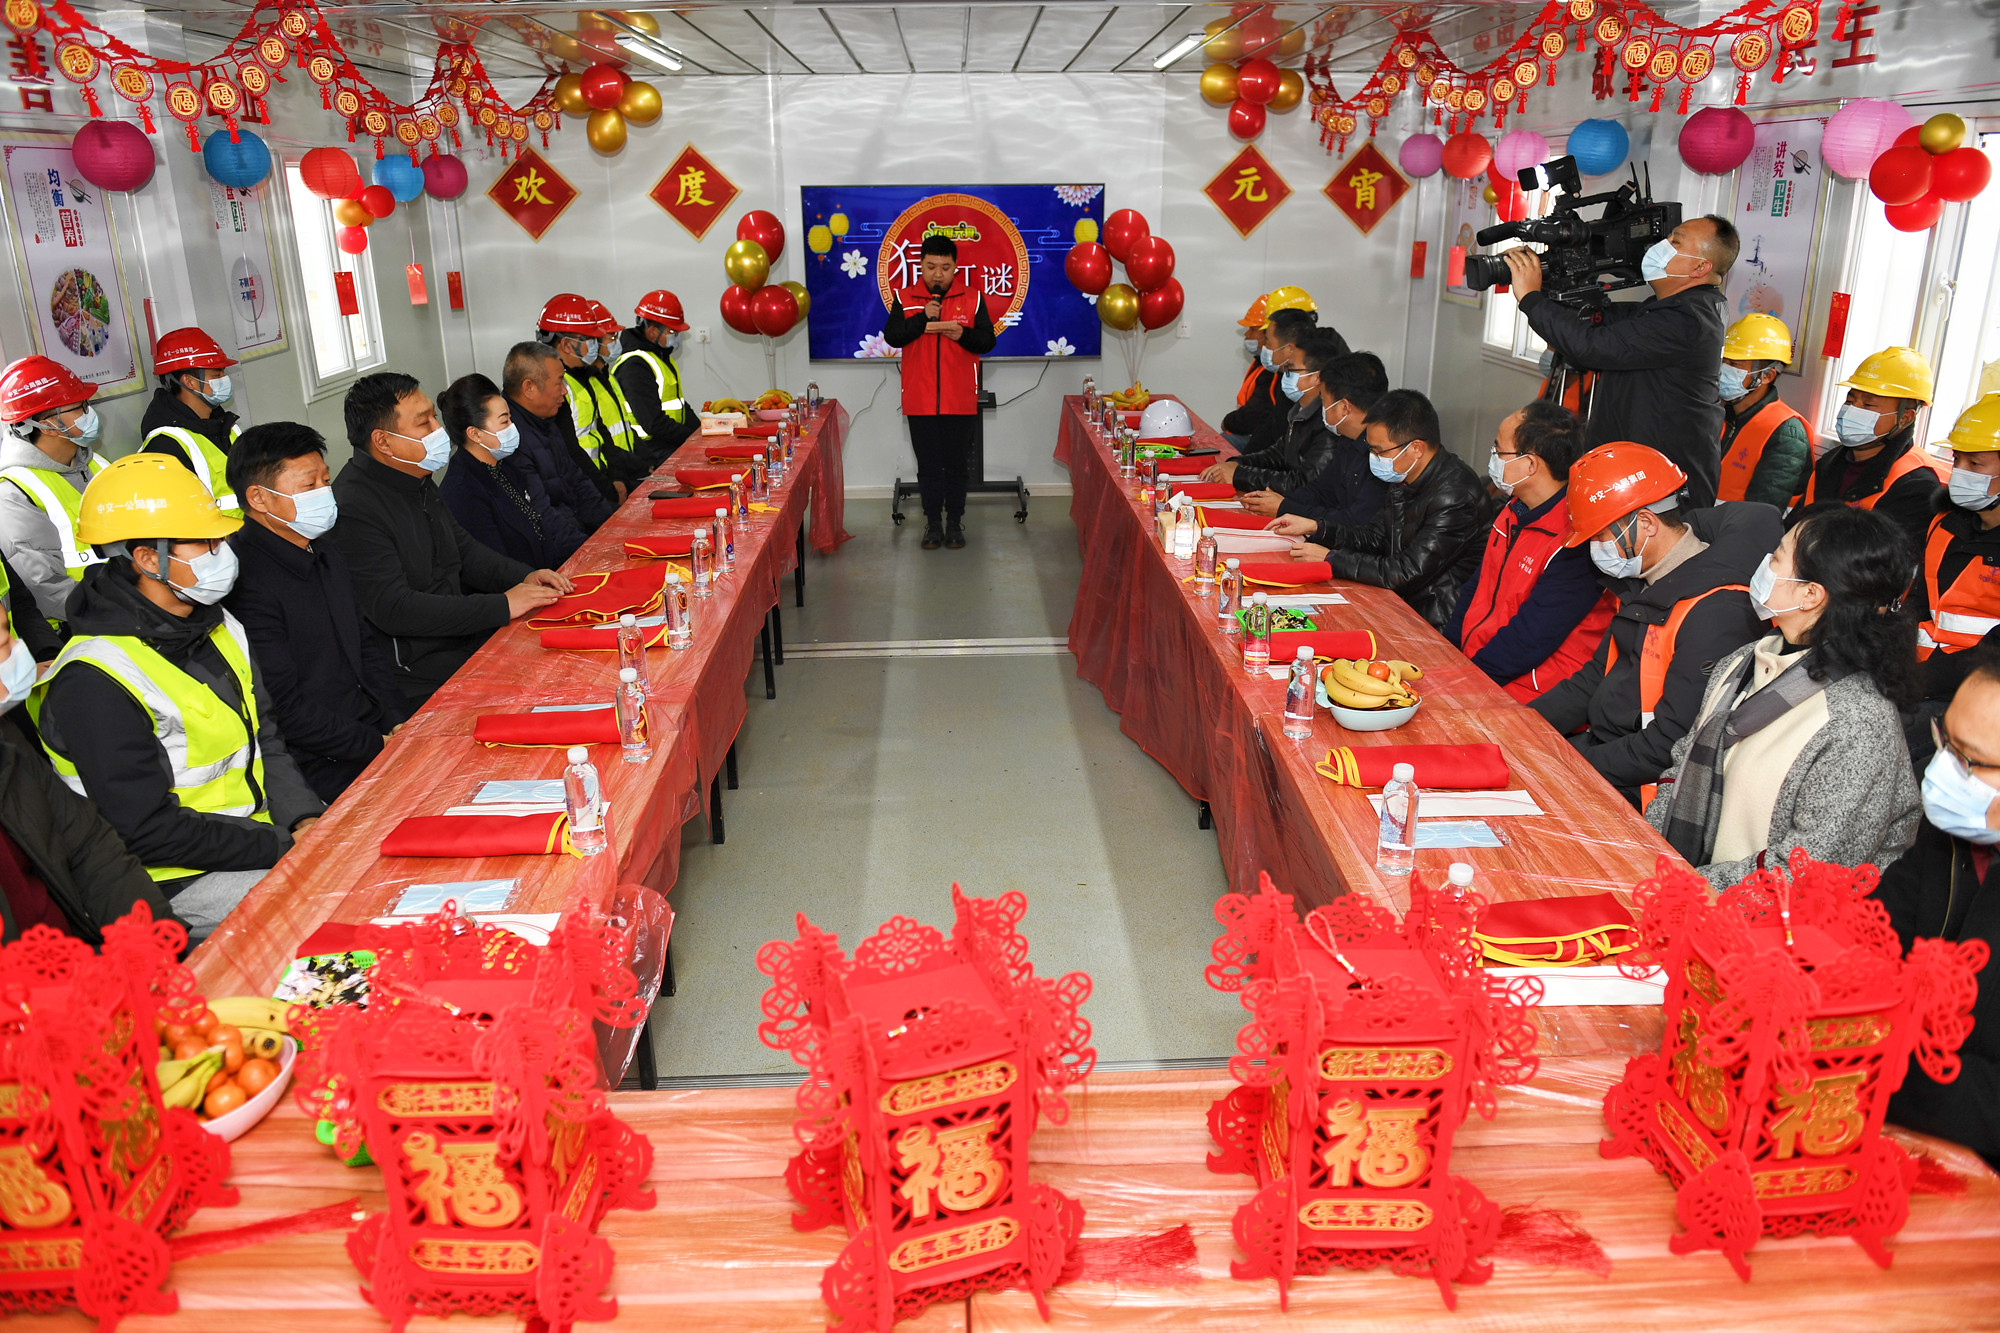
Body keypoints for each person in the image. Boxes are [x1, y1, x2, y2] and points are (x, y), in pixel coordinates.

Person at [35, 454, 324, 944]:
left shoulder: (216, 622)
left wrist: (304, 817)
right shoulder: (94, 677)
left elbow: (265, 735)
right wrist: (283, 844)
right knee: (329, 909)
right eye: (207, 541)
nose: (224, 550)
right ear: (149, 558)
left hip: (261, 837)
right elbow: (146, 829)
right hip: (175, 878)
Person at [1646, 505, 1920, 886]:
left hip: (1763, 927)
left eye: (1776, 558)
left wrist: (1687, 888)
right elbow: (1681, 768)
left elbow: (1810, 874)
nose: (1764, 565)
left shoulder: (1857, 721)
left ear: (1810, 595)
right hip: (1680, 885)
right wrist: (1647, 855)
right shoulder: (1742, 662)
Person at [1529, 443, 1776, 805]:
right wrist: (1521, 727)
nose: (1595, 548)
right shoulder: (1649, 582)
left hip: (1646, 790)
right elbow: (1593, 679)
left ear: (1645, 523)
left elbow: (1669, 744)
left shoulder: (1715, 611)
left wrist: (1564, 765)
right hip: (1605, 756)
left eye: (1599, 536)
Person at [331, 372, 573, 707]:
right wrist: (502, 604)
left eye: (434, 416)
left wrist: (523, 577)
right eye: (424, 424)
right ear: (383, 441)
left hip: (460, 642)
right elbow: (396, 608)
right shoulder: (354, 507)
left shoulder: (417, 477)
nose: (438, 430)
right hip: (417, 675)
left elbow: (463, 549)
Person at [224, 421, 411, 804]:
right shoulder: (246, 582)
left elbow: (364, 643)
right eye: (309, 486)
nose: (325, 493)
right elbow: (284, 707)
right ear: (259, 498)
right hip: (320, 761)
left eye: (326, 481)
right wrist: (375, 744)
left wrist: (397, 719)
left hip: (375, 732)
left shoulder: (323, 550)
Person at [1505, 214, 1738, 507]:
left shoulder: (1687, 319)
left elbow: (1591, 346)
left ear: (1700, 267)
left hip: (1661, 488)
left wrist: (1531, 298)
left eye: (1675, 241)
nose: (1662, 245)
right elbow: (1606, 320)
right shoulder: (1684, 306)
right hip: (1639, 473)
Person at [1873, 644, 2000, 1167]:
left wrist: (1863, 1060)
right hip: (1912, 1127)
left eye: (1971, 761)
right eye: (1944, 742)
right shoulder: (1952, 832)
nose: (1945, 771)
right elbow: (1877, 929)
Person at [0, 608, 175, 943]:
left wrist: (155, 947)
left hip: (90, 959)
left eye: (8, 631)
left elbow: (87, 843)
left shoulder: (7, 741)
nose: (14, 649)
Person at [1266, 389, 1489, 627]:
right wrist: (1317, 527)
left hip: (1432, 618)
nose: (1373, 457)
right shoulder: (1406, 473)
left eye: (1379, 451)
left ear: (1416, 448)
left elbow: (1406, 572)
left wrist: (1331, 558)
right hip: (1396, 599)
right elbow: (1373, 535)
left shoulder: (1455, 496)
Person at [1443, 401, 1615, 702]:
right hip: (1477, 667)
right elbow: (1476, 588)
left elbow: (1532, 637)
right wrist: (1445, 654)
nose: (1493, 458)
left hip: (1528, 690)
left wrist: (1465, 683)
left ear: (1531, 464)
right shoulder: (1514, 510)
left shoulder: (1577, 539)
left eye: (1499, 451)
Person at [880, 234, 998, 550]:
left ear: (956, 267)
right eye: (931, 266)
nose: (937, 274)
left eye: (945, 267)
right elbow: (893, 336)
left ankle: (955, 522)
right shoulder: (905, 298)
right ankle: (932, 524)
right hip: (919, 400)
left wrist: (963, 334)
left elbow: (987, 341)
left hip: (960, 399)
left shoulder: (973, 298)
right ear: (920, 265)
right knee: (929, 466)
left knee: (958, 466)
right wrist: (923, 318)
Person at [1789, 345, 1947, 556]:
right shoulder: (1830, 462)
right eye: (1851, 400)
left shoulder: (1916, 485)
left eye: (1868, 405)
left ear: (1905, 417)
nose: (1852, 410)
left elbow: (1882, 567)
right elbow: (1794, 528)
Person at [437, 373, 588, 571]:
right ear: (475, 433)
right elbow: (491, 565)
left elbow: (540, 524)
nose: (513, 428)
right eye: (504, 422)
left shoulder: (505, 466)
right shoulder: (462, 490)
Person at [0, 355, 106, 624]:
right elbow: (46, 589)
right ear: (46, 425)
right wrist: (123, 614)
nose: (89, 412)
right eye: (79, 406)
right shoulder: (14, 494)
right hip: (79, 630)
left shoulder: (96, 463)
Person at [1913, 392, 2000, 701]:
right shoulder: (1944, 522)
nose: (1960, 471)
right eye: (1957, 459)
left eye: (1974, 463)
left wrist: (1917, 682)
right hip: (1919, 673)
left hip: (1980, 691)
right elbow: (1917, 601)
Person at [1247, 351, 1392, 526]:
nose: (1321, 408)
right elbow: (1323, 491)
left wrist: (1285, 507)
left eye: (1323, 401)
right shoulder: (1348, 438)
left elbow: (1355, 522)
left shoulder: (1384, 455)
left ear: (1344, 408)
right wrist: (1279, 500)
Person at [1202, 331, 1351, 495]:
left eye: (1291, 369)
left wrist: (1239, 475)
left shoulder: (1328, 421)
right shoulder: (1300, 410)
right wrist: (1237, 464)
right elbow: (1279, 454)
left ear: (1317, 377)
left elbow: (1304, 483)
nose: (1285, 376)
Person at [505, 341, 616, 534]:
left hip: (578, 533)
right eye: (559, 381)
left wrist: (613, 529)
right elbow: (543, 518)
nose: (565, 390)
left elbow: (579, 482)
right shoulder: (511, 441)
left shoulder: (547, 423)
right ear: (529, 388)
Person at [140, 327, 244, 519]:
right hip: (214, 545)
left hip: (246, 539)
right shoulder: (166, 444)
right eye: (217, 375)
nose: (225, 380)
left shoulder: (227, 426)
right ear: (189, 381)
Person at [534, 293, 627, 506]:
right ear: (567, 345)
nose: (595, 345)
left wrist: (616, 477)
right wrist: (606, 490)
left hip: (601, 482)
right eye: (590, 339)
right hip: (582, 493)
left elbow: (600, 429)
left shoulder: (584, 375)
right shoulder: (553, 387)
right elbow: (569, 451)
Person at [1715, 313, 1812, 506]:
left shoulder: (1786, 431)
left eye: (1734, 364)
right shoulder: (1720, 413)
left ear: (1767, 376)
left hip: (1742, 530)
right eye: (1723, 361)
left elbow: (1763, 510)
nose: (1723, 370)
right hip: (1707, 523)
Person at [1223, 306, 1326, 465]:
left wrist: (1243, 470)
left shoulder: (1308, 391)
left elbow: (1301, 475)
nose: (1265, 349)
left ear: (1289, 348)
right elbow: (1274, 435)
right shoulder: (1285, 379)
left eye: (1268, 343)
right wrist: (1239, 464)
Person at [611, 289, 698, 473]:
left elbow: (679, 405)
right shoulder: (635, 365)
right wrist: (693, 438)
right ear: (652, 331)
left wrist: (700, 431)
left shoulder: (659, 356)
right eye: (673, 331)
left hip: (669, 444)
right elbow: (652, 422)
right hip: (652, 451)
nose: (677, 337)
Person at [1221, 293, 1270, 447]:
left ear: (1268, 333)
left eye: (1252, 329)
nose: (1247, 334)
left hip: (1258, 439)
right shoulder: (1261, 363)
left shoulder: (1273, 371)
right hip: (1249, 432)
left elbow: (1254, 415)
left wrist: (1228, 422)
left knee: (1222, 445)